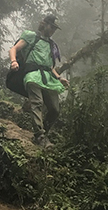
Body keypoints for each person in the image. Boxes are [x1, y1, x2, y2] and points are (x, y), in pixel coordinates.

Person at [8, 15, 69, 148]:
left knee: (54, 109)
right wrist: (13, 61)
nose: (53, 30)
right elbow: (14, 49)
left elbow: (50, 66)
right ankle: (39, 135)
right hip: (32, 75)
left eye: (54, 28)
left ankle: (44, 133)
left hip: (48, 78)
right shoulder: (31, 36)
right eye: (51, 27)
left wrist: (59, 78)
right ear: (44, 24)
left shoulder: (51, 44)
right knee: (37, 103)